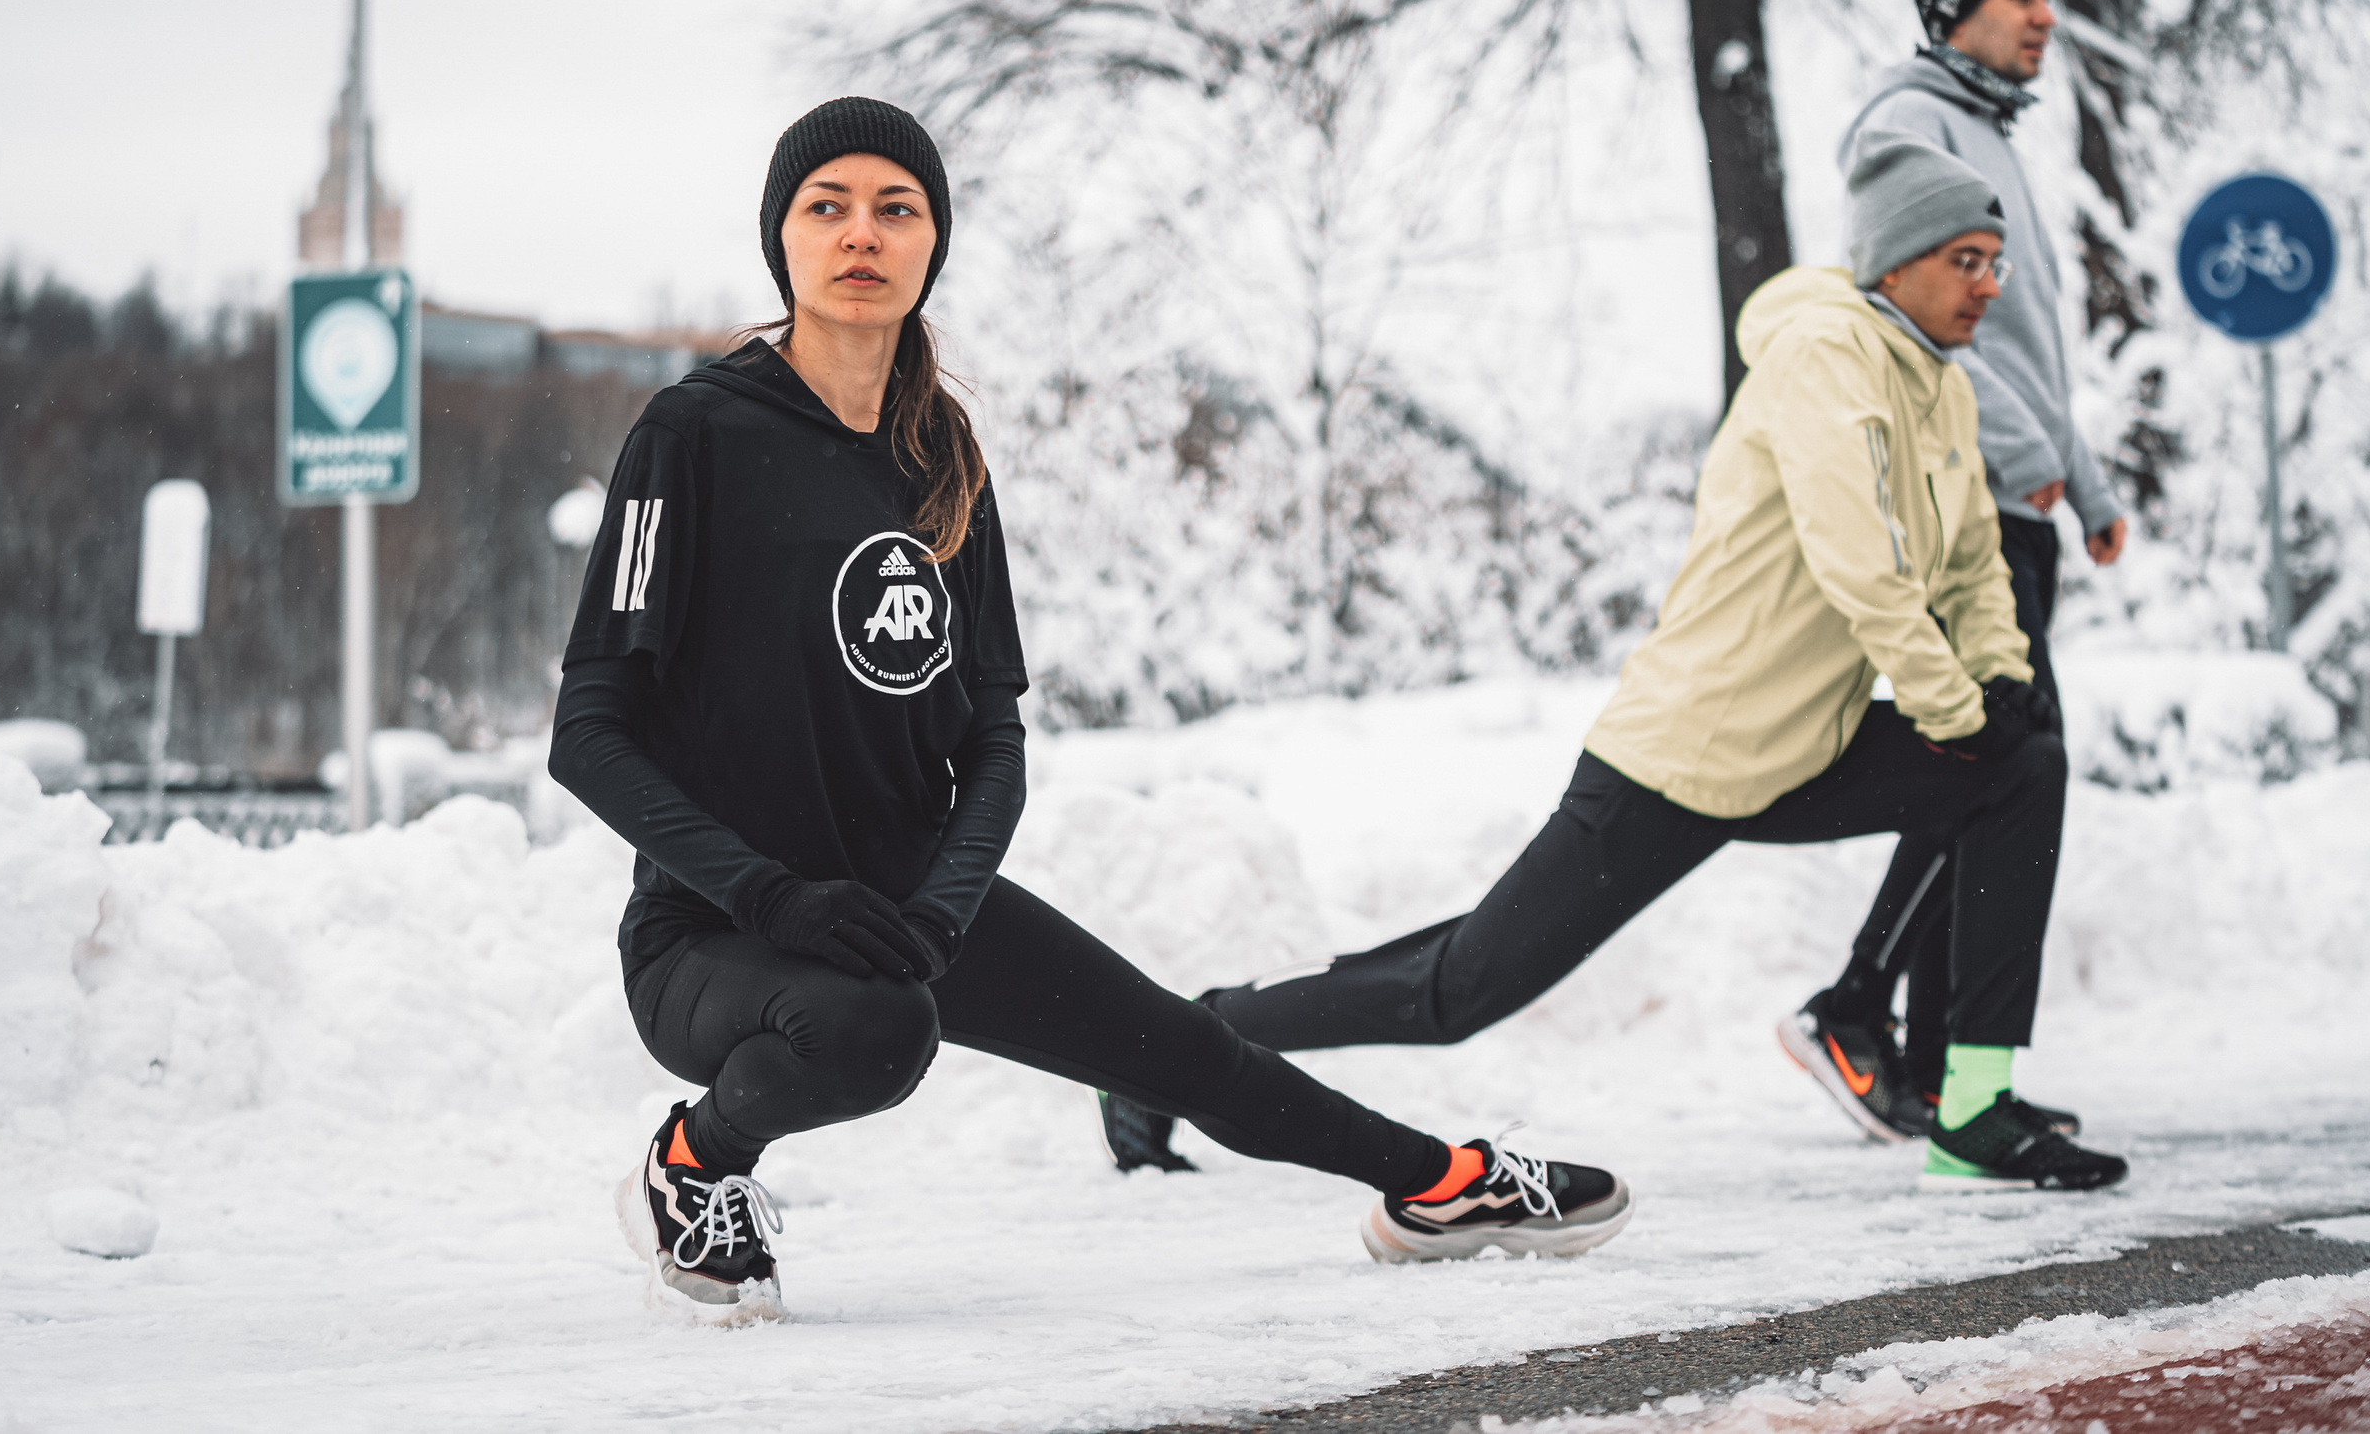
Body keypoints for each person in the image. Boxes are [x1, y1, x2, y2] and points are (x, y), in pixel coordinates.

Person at [548, 97, 1631, 1322]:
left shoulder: (938, 451)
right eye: (827, 206)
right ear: (781, 240)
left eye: (895, 209)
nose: (862, 233)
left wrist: (944, 909)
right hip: (715, 935)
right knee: (875, 1033)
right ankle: (690, 1167)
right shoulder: (692, 433)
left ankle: (1441, 1185)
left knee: (1183, 1050)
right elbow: (588, 732)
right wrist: (771, 893)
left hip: (903, 908)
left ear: (930, 243)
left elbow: (992, 734)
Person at [1102, 133, 2130, 1196]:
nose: (1987, 284)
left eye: (1994, 262)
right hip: (1686, 751)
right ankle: (1176, 1044)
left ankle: (1970, 1112)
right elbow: (1858, 563)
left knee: (2024, 767)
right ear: (1895, 262)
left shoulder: (1943, 391)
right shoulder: (1824, 357)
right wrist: (1952, 710)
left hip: (1804, 747)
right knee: (1458, 993)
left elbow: (1967, 565)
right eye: (1964, 258)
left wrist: (1998, 682)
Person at [1778, 0, 2128, 1146]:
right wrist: (2034, 470)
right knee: (1998, 760)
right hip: (1972, 496)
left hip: (2018, 488)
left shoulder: (1990, 134)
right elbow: (1929, 325)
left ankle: (1928, 1056)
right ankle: (1860, 1011)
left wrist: (2085, 483)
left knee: (2001, 764)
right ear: (1955, 10)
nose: (2041, 19)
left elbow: (2024, 341)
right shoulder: (1907, 126)